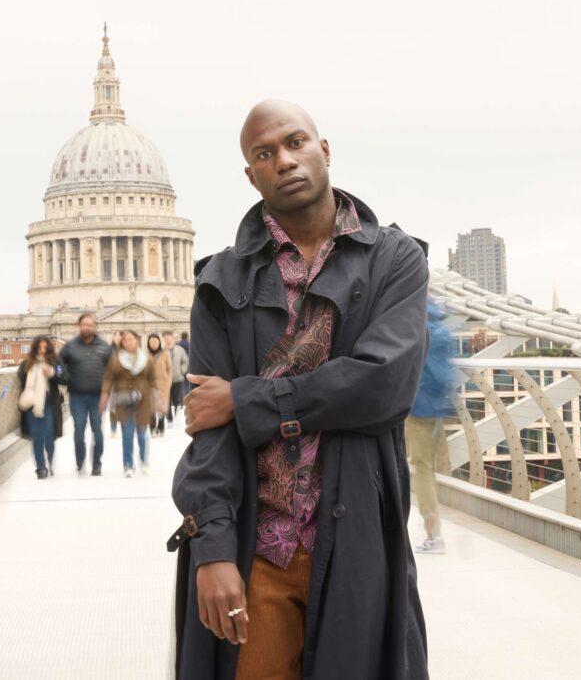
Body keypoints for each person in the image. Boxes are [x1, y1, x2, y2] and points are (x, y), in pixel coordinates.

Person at [169, 100, 430, 679]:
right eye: (265, 153)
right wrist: (211, 546)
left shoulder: (395, 259)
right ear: (251, 174)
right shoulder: (220, 281)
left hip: (355, 538)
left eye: (295, 142)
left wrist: (245, 400)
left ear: (324, 149)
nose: (284, 160)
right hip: (255, 547)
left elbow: (384, 385)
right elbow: (207, 433)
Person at [407, 299, 457, 555]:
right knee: (428, 468)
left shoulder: (416, 327)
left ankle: (434, 535)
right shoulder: (443, 331)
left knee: (422, 470)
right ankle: (433, 533)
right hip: (436, 409)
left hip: (416, 408)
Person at [58, 313, 111, 475]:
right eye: (84, 324)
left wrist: (106, 394)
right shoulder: (70, 346)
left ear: (95, 327)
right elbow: (58, 364)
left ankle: (97, 463)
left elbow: (111, 373)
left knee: (98, 432)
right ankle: (80, 459)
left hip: (97, 396)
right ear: (78, 326)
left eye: (90, 325)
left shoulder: (104, 346)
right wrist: (66, 379)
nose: (87, 327)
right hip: (77, 396)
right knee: (79, 429)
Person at [100, 329, 156, 477]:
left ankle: (144, 462)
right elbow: (109, 379)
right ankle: (128, 465)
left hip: (143, 400)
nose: (128, 342)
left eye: (131, 339)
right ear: (122, 343)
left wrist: (158, 397)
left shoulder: (147, 358)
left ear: (136, 340)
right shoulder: (116, 358)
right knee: (127, 434)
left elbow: (154, 379)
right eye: (125, 340)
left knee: (143, 434)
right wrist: (105, 396)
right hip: (124, 400)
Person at [17, 336, 65, 479]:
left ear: (49, 348)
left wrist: (52, 374)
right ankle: (41, 468)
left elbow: (64, 378)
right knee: (37, 436)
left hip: (50, 402)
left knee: (49, 436)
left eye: (45, 347)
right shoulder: (27, 363)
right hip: (32, 403)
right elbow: (21, 380)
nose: (42, 350)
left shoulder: (55, 362)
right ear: (35, 348)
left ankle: (50, 460)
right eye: (39, 347)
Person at [148, 332, 172, 436]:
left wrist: (168, 381)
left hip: (163, 384)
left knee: (161, 407)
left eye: (155, 341)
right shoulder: (145, 354)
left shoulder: (165, 353)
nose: (153, 344)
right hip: (149, 384)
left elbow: (169, 368)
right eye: (151, 342)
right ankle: (152, 427)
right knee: (151, 408)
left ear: (159, 342)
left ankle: (161, 425)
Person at [165, 330, 189, 423]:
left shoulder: (179, 349)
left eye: (169, 338)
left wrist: (181, 371)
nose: (168, 340)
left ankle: (176, 414)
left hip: (177, 378)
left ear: (172, 339)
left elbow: (185, 361)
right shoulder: (162, 350)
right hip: (165, 379)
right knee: (167, 399)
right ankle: (169, 418)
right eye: (166, 338)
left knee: (176, 399)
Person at [109, 330, 123, 438]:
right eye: (117, 336)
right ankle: (113, 428)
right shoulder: (109, 350)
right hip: (113, 382)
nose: (119, 338)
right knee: (113, 406)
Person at [178, 331, 192, 397]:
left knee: (182, 383)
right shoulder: (190, 344)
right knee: (188, 382)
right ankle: (188, 395)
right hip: (189, 365)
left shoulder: (179, 344)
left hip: (180, 365)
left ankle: (182, 398)